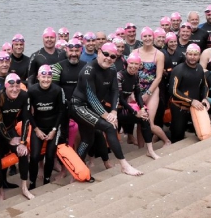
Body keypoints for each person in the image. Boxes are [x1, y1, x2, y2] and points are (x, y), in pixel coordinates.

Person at [70, 42, 143, 176]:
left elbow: (115, 90)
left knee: (88, 139)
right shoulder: (88, 71)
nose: (108, 58)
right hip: (78, 106)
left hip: (92, 107)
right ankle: (124, 165)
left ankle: (77, 170)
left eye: (113, 56)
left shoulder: (112, 68)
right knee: (109, 127)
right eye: (106, 54)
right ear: (99, 52)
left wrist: (114, 111)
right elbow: (91, 97)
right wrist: (107, 115)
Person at [0, 73, 32, 198]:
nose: (15, 89)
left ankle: (24, 188)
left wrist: (23, 143)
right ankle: (0, 191)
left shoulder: (24, 96)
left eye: (17, 86)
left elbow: (26, 120)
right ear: (5, 87)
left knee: (23, 153)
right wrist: (9, 139)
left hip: (9, 129)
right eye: (11, 87)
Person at [27, 65, 68, 186]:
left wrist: (54, 130)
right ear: (38, 77)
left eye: (48, 77)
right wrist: (36, 129)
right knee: (34, 156)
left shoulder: (57, 90)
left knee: (50, 156)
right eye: (43, 77)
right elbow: (28, 112)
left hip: (53, 127)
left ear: (52, 78)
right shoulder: (32, 91)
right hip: (38, 126)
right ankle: (32, 182)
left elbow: (61, 111)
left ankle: (46, 179)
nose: (46, 80)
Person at [117, 54, 159, 159]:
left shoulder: (136, 76)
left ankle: (150, 150)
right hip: (116, 108)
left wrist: (142, 108)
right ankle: (115, 158)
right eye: (131, 63)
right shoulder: (119, 76)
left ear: (139, 66)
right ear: (127, 63)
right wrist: (135, 112)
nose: (133, 66)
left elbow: (138, 94)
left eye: (136, 64)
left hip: (125, 108)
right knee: (113, 128)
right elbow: (121, 98)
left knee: (145, 118)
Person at [168, 44, 208, 142]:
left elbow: (205, 86)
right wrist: (191, 101)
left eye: (195, 55)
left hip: (195, 107)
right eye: (190, 54)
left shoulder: (199, 68)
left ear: (199, 56)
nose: (192, 57)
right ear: (186, 54)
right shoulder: (179, 70)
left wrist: (204, 98)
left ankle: (189, 126)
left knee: (207, 131)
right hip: (180, 107)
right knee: (177, 136)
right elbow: (173, 91)